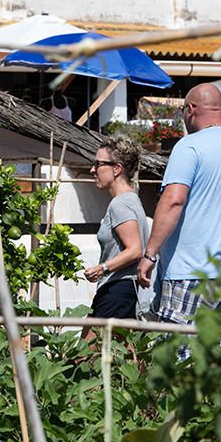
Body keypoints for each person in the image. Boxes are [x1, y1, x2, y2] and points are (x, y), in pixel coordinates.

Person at [137, 83, 221, 324]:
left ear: (190, 110)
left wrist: (149, 254)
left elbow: (174, 201)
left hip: (191, 275)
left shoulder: (189, 147)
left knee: (181, 357)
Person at [82, 135, 150, 331]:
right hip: (124, 291)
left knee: (85, 354)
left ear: (117, 169)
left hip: (117, 290)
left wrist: (102, 268)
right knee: (124, 355)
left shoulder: (120, 204)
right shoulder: (131, 200)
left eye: (98, 164)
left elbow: (135, 249)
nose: (92, 169)